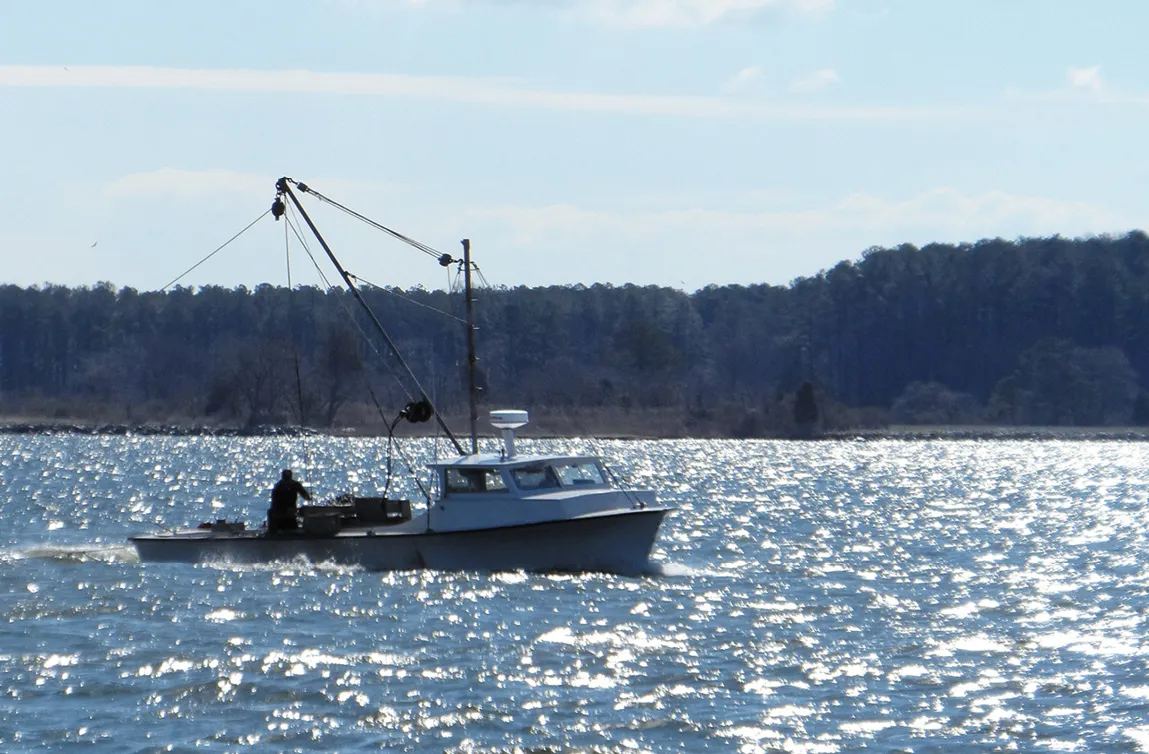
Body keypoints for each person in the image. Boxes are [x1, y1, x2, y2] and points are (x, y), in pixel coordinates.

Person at [268, 468, 312, 533]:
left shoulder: (295, 485)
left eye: (288, 479)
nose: (287, 482)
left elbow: (306, 496)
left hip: (291, 514)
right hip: (280, 515)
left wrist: (308, 498)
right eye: (286, 479)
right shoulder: (278, 488)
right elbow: (276, 504)